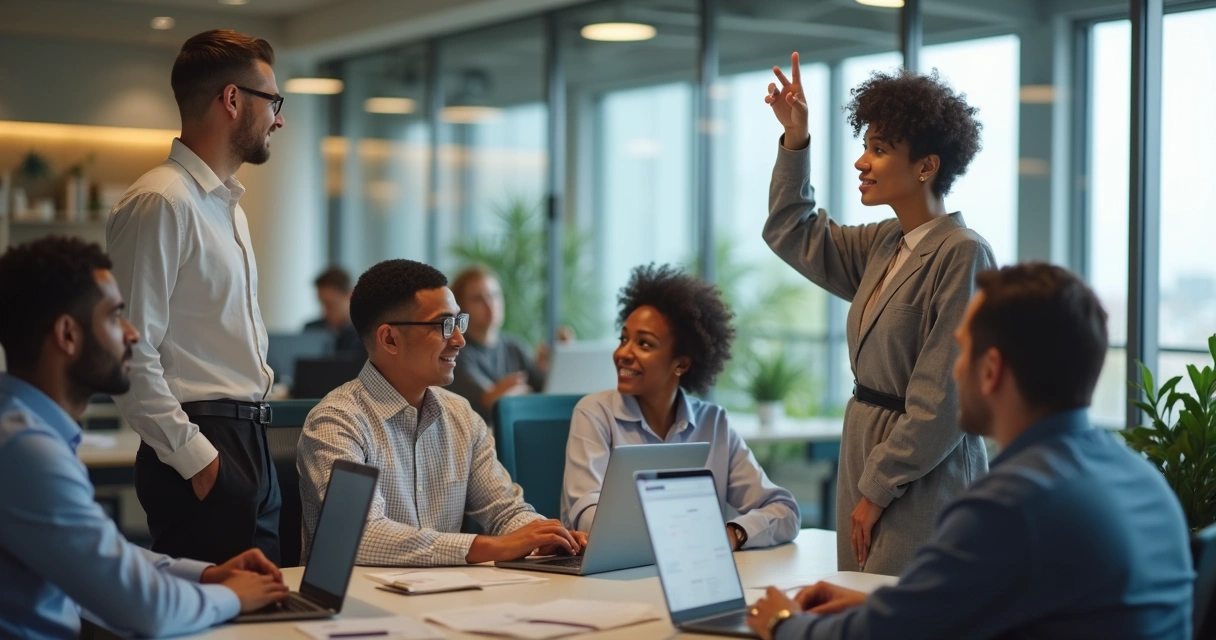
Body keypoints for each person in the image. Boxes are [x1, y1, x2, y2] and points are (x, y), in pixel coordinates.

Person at [746, 263, 1194, 640]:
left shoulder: (1014, 502)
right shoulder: (1142, 479)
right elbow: (946, 610)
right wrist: (877, 602)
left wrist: (786, 624)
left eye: (960, 352)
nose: (951, 371)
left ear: (992, 370)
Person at [763, 53, 995, 574]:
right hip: (864, 455)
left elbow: (943, 399)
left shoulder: (962, 253)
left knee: (905, 614)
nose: (861, 162)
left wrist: (876, 489)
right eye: (864, 147)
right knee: (860, 607)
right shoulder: (885, 244)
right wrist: (795, 139)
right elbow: (790, 230)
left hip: (922, 473)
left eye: (878, 150)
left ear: (926, 166)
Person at [0, 237, 290, 639]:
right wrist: (233, 596)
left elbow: (99, 556)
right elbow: (147, 610)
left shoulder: (23, 430)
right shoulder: (24, 450)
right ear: (67, 334)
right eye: (114, 316)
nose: (132, 333)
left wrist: (205, 574)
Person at [106, 29, 286, 565]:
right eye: (273, 101)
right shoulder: (162, 201)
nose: (279, 118)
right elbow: (129, 350)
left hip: (250, 440)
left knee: (269, 612)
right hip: (204, 442)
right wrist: (198, 460)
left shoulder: (225, 206)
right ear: (232, 100)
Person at [297, 259, 588, 566]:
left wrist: (546, 537)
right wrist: (490, 547)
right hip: (359, 605)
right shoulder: (336, 421)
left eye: (458, 323)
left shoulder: (459, 415)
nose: (460, 340)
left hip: (446, 596)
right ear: (390, 339)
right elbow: (360, 534)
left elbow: (504, 510)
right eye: (444, 325)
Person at [562, 264, 800, 550]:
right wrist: (685, 534)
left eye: (644, 344)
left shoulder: (714, 423)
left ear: (682, 364)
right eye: (624, 339)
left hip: (690, 574)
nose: (623, 353)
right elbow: (589, 519)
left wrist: (732, 533)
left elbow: (784, 510)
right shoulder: (594, 413)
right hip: (603, 581)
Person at [447, 266, 560, 422]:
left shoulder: (513, 345)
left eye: (494, 295)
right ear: (460, 308)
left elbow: (546, 390)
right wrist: (502, 395)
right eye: (478, 299)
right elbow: (489, 400)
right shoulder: (456, 352)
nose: (490, 304)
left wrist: (553, 364)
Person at [304, 266, 364, 357]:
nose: (324, 311)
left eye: (330, 305)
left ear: (350, 296)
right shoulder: (311, 331)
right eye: (321, 304)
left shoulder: (365, 335)